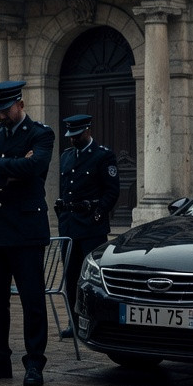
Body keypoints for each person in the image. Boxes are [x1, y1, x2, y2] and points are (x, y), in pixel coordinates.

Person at [0, 80, 54, 386]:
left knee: (32, 299)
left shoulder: (41, 134)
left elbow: (36, 167)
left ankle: (34, 363)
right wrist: (11, 168)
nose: (1, 115)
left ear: (20, 104)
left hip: (26, 229)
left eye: (6, 109)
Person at [55, 114, 119, 339]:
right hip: (70, 226)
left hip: (91, 226)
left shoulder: (103, 156)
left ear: (87, 131)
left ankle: (94, 319)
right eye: (70, 136)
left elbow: (111, 191)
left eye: (77, 135)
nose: (73, 140)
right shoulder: (66, 156)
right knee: (71, 277)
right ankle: (74, 321)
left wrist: (99, 214)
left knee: (91, 278)